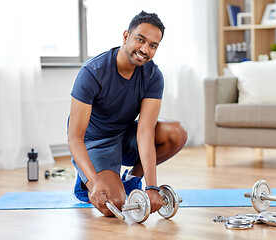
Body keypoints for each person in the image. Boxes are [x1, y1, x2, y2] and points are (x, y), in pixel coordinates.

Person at [67, 11, 187, 217]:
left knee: (176, 132)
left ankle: (132, 178)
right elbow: (74, 137)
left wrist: (151, 187)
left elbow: (145, 131)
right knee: (114, 204)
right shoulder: (92, 72)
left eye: (153, 45)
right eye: (140, 40)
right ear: (126, 36)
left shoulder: (153, 76)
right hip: (94, 143)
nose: (144, 49)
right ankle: (85, 181)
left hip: (125, 136)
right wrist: (95, 182)